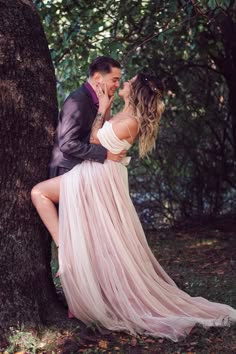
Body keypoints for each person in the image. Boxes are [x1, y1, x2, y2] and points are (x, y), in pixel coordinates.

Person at [31, 73, 236, 342]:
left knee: (39, 193)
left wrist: (102, 111)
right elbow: (100, 144)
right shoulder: (123, 115)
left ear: (136, 90)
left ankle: (65, 249)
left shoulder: (129, 121)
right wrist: (105, 114)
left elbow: (93, 141)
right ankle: (73, 257)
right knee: (96, 235)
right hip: (97, 174)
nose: (124, 83)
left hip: (97, 177)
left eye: (129, 82)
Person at [49, 56, 125, 179]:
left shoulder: (100, 101)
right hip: (66, 171)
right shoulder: (78, 101)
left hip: (82, 171)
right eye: (114, 80)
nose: (117, 85)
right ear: (97, 78)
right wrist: (105, 154)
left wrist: (105, 109)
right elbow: (67, 143)